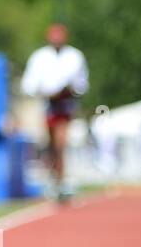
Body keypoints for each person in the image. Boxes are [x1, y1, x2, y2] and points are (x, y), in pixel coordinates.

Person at [20, 22, 89, 201]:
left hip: (65, 105)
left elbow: (81, 84)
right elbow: (29, 84)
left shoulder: (74, 56)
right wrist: (45, 93)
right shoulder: (39, 57)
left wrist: (69, 90)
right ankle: (54, 178)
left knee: (61, 143)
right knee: (49, 145)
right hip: (45, 105)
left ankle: (61, 180)